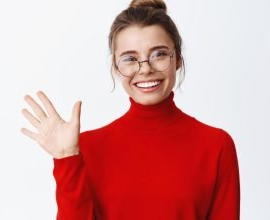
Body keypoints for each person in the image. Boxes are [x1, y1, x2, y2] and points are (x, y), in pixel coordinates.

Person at [20, 0, 240, 219]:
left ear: (178, 59)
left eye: (159, 54)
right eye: (130, 59)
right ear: (116, 67)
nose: (145, 69)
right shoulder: (84, 148)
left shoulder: (216, 146)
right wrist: (66, 157)